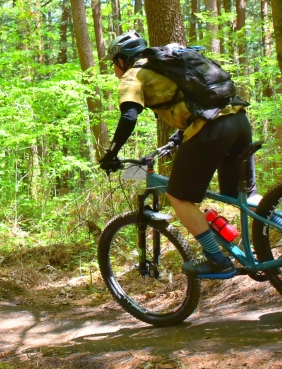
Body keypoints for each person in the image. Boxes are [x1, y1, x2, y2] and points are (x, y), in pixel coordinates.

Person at [99, 31, 261, 277]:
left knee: (178, 196)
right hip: (238, 120)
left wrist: (112, 152)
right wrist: (177, 138)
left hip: (212, 128)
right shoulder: (167, 64)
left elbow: (129, 116)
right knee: (241, 196)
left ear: (122, 60)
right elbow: (193, 101)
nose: (114, 69)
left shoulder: (133, 75)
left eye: (113, 63)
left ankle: (217, 260)